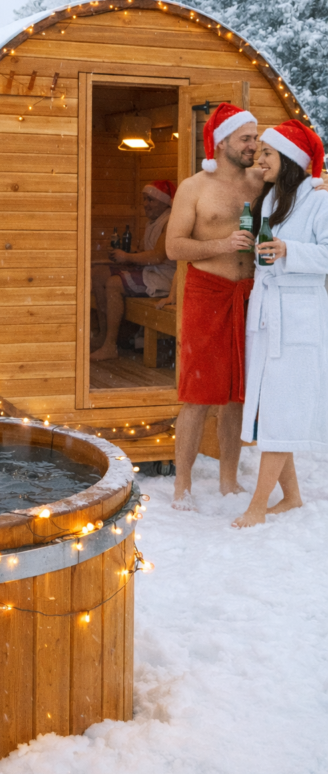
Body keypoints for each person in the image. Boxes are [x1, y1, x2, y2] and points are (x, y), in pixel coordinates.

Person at [166, 102, 262, 509]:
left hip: (250, 293)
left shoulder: (260, 181)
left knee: (238, 394)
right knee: (199, 393)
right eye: (246, 138)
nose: (253, 145)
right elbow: (173, 247)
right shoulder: (194, 187)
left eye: (256, 138)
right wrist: (222, 244)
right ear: (222, 142)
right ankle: (182, 485)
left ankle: (228, 479)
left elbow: (300, 183)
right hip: (207, 292)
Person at [233, 121, 328, 528]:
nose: (260, 158)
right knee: (272, 408)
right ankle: (290, 497)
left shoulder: (320, 201)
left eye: (268, 153)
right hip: (268, 310)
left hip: (299, 315)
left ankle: (258, 506)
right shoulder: (273, 199)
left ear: (289, 159)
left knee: (281, 408)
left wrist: (290, 249)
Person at [91, 180, 176, 361]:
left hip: (164, 278)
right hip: (150, 272)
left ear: (164, 202)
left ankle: (110, 345)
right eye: (144, 199)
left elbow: (158, 257)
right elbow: (147, 252)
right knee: (98, 274)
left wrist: (127, 257)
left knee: (114, 283)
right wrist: (130, 253)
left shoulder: (169, 222)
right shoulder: (152, 222)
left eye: (150, 200)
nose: (145, 204)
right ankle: (103, 335)